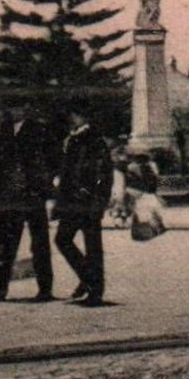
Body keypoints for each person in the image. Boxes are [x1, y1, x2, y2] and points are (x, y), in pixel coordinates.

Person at [0, 95, 55, 303]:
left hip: (32, 193)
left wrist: (43, 184)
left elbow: (49, 159)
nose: (15, 111)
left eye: (19, 106)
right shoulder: (5, 128)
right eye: (11, 107)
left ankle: (45, 288)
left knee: (39, 242)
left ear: (27, 107)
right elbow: (0, 160)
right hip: (10, 194)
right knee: (5, 242)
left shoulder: (38, 128)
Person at [53, 102, 113, 307]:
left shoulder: (91, 139)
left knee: (83, 243)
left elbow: (102, 172)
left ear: (82, 116)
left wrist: (96, 197)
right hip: (75, 200)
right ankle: (90, 280)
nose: (71, 118)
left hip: (84, 200)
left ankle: (93, 285)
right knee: (71, 241)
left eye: (74, 114)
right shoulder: (74, 138)